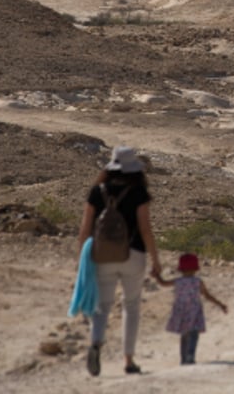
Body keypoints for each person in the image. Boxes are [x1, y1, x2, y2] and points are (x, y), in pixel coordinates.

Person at [76, 146, 163, 377]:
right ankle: (129, 360)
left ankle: (95, 343)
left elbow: (84, 230)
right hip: (133, 254)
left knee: (102, 306)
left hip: (102, 255)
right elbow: (145, 229)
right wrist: (155, 259)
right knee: (131, 306)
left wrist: (82, 260)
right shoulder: (138, 193)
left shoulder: (97, 191)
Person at [155, 253, 228, 364]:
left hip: (181, 312)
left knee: (184, 336)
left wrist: (157, 275)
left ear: (181, 269)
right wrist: (220, 305)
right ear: (195, 269)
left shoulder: (178, 281)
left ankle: (183, 359)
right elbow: (207, 296)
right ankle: (190, 356)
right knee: (193, 334)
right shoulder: (198, 282)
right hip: (194, 312)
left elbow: (163, 283)